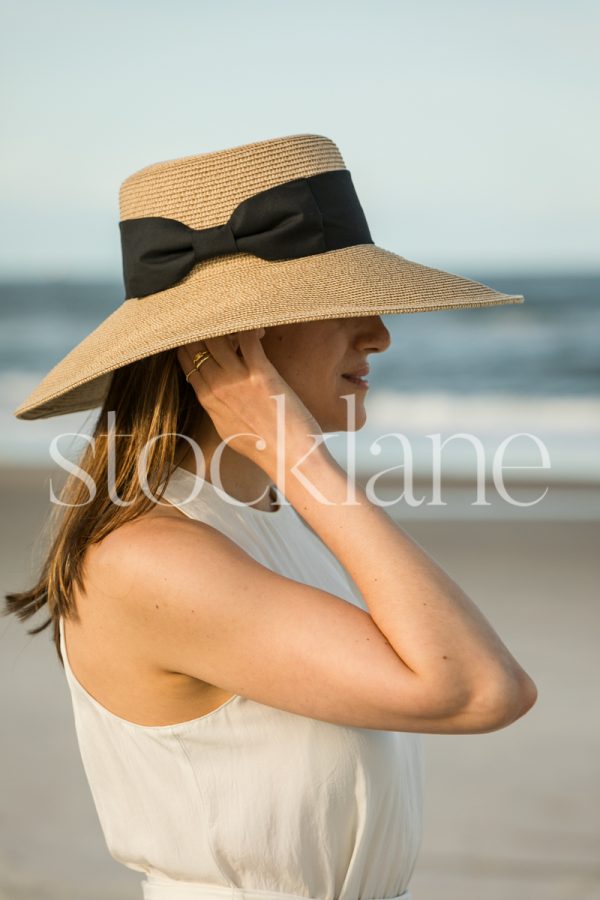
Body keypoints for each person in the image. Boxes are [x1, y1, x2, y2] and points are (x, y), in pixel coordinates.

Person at [5, 133, 537, 900]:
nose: (380, 335)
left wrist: (296, 471)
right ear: (232, 340)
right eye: (340, 304)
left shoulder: (263, 515)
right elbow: (482, 689)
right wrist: (298, 453)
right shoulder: (154, 557)